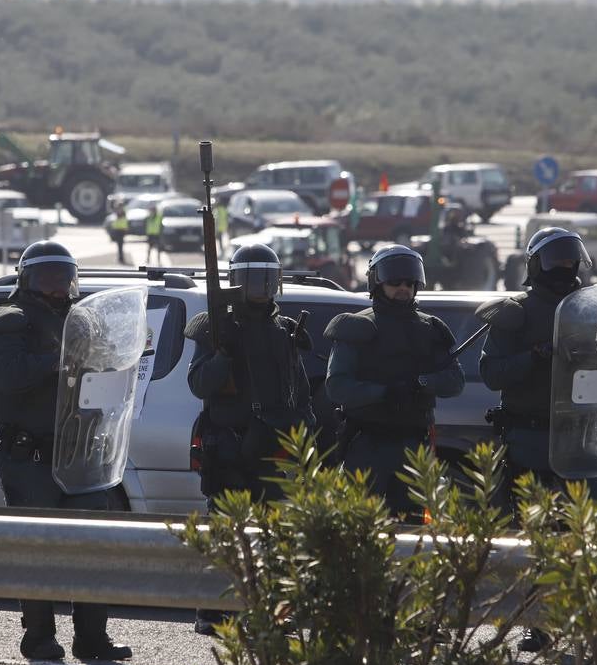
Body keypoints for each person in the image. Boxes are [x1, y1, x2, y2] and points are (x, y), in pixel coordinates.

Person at [0, 241, 132, 662]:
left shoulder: (84, 322)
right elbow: (8, 376)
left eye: (63, 277)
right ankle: (39, 637)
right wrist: (58, 359)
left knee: (92, 544)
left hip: (82, 449)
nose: (58, 287)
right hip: (31, 454)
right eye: (47, 278)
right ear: (27, 280)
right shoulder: (8, 322)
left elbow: (110, 366)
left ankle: (92, 638)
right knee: (37, 547)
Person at [479, 227, 597, 653]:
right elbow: (492, 374)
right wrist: (534, 356)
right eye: (555, 258)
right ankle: (538, 625)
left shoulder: (589, 310)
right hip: (530, 437)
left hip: (579, 436)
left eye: (570, 258)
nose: (565, 266)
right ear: (535, 263)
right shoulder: (514, 313)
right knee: (537, 533)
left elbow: (596, 370)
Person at [185, 242, 315, 635]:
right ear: (234, 281)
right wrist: (223, 353)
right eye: (251, 279)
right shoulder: (216, 327)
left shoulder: (285, 330)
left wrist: (305, 435)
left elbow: (300, 388)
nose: (260, 288)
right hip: (230, 446)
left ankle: (272, 611)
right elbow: (198, 383)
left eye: (267, 279)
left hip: (274, 446)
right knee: (226, 532)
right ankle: (212, 612)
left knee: (276, 534)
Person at [324, 246, 465, 518]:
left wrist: (421, 382)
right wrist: (385, 392)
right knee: (360, 524)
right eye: (395, 282)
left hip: (414, 447)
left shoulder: (431, 329)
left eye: (409, 283)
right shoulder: (357, 327)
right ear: (377, 282)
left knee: (414, 528)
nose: (403, 288)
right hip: (368, 445)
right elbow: (337, 387)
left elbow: (454, 381)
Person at [145, 200, 164, 265]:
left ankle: (158, 260)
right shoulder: (149, 217)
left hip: (156, 234)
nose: (152, 211)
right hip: (150, 234)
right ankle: (148, 259)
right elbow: (146, 225)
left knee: (158, 248)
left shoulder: (159, 216)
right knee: (149, 248)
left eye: (153, 210)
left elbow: (161, 225)